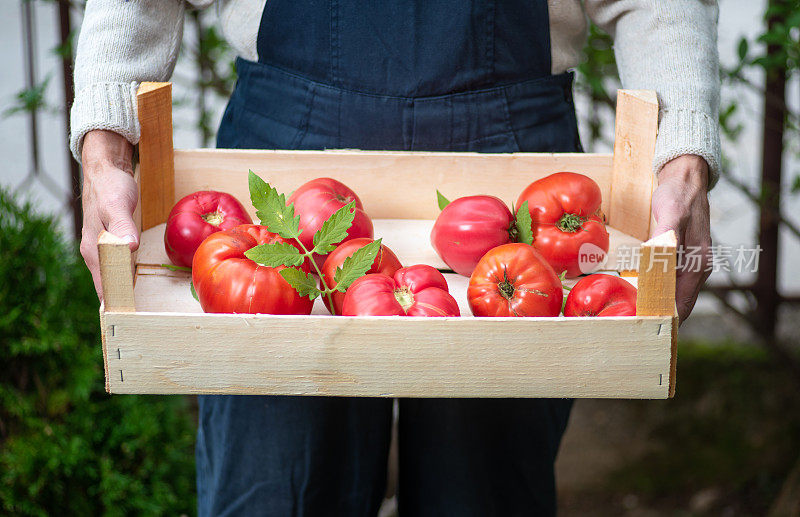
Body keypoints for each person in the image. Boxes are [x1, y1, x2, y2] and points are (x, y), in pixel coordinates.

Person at [72, 1, 719, 515]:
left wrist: (682, 145)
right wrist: (104, 140)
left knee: (487, 498)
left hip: (514, 161)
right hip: (285, 148)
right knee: (275, 493)